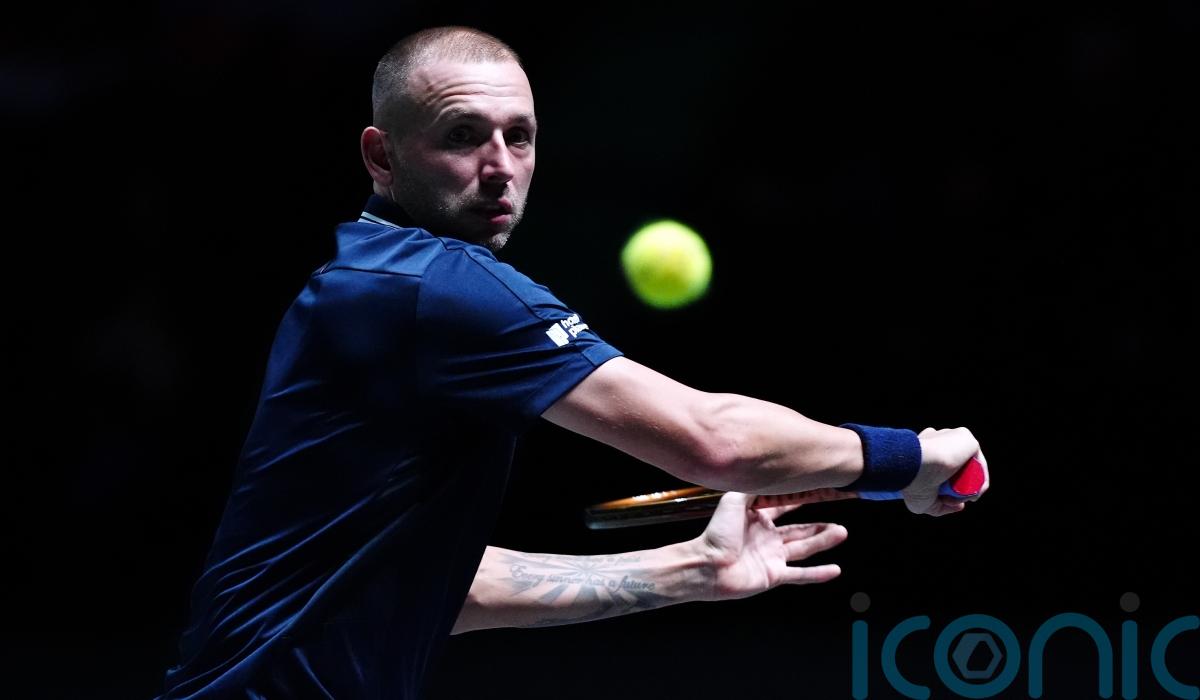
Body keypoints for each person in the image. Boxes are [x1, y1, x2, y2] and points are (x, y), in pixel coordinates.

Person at [159, 25, 988, 699]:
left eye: (518, 137)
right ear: (382, 156)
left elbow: (438, 585)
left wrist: (688, 570)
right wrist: (911, 458)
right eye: (462, 136)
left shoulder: (365, 282)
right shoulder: (438, 286)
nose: (500, 167)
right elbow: (713, 439)